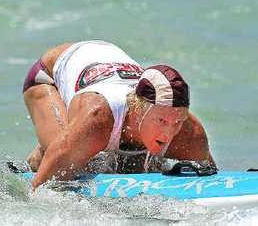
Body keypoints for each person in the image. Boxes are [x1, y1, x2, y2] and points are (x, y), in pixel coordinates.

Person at [23, 40, 216, 190]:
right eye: (162, 121)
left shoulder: (190, 134)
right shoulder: (98, 118)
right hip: (49, 75)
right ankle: (45, 152)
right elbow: (40, 190)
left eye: (178, 122)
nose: (169, 133)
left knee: (134, 166)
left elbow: (216, 180)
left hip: (106, 63)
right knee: (75, 165)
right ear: (138, 109)